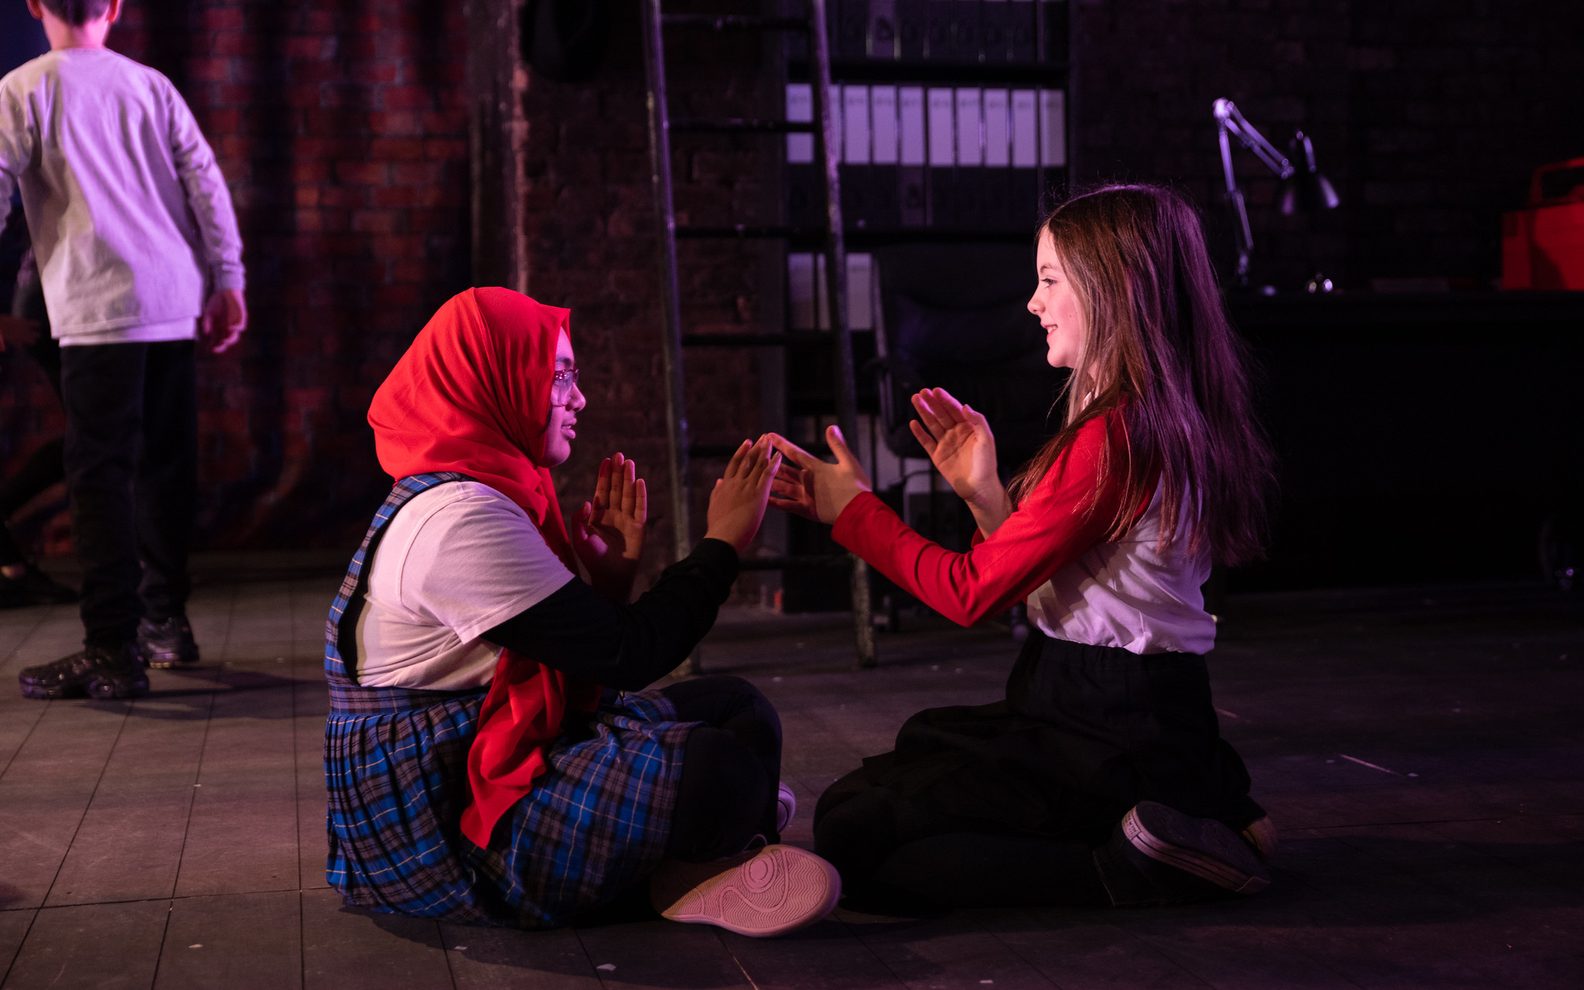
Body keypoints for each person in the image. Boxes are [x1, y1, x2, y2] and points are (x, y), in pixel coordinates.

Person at [767, 184, 1279, 910]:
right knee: (914, 753)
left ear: (1114, 290)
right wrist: (983, 494)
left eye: (1048, 281)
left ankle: (1129, 864)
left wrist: (851, 511)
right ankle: (1203, 807)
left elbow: (971, 592)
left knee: (856, 828)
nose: (1033, 305)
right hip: (1113, 702)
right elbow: (1065, 582)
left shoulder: (1117, 437)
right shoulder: (1145, 418)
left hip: (1108, 722)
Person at [323, 287, 841, 937]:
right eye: (560, 375)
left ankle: (691, 857)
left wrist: (609, 581)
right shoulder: (456, 518)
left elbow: (581, 651)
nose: (578, 397)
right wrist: (723, 543)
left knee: (740, 709)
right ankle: (685, 859)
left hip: (493, 744)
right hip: (436, 816)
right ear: (495, 377)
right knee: (722, 770)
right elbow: (632, 655)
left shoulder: (488, 489)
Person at [2, 0, 247, 699]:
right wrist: (226, 279)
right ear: (115, 6)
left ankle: (112, 646)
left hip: (98, 303)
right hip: (170, 298)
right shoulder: (149, 85)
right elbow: (206, 183)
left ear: (34, 5)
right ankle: (165, 621)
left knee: (100, 472)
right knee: (164, 462)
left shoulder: (25, 88)